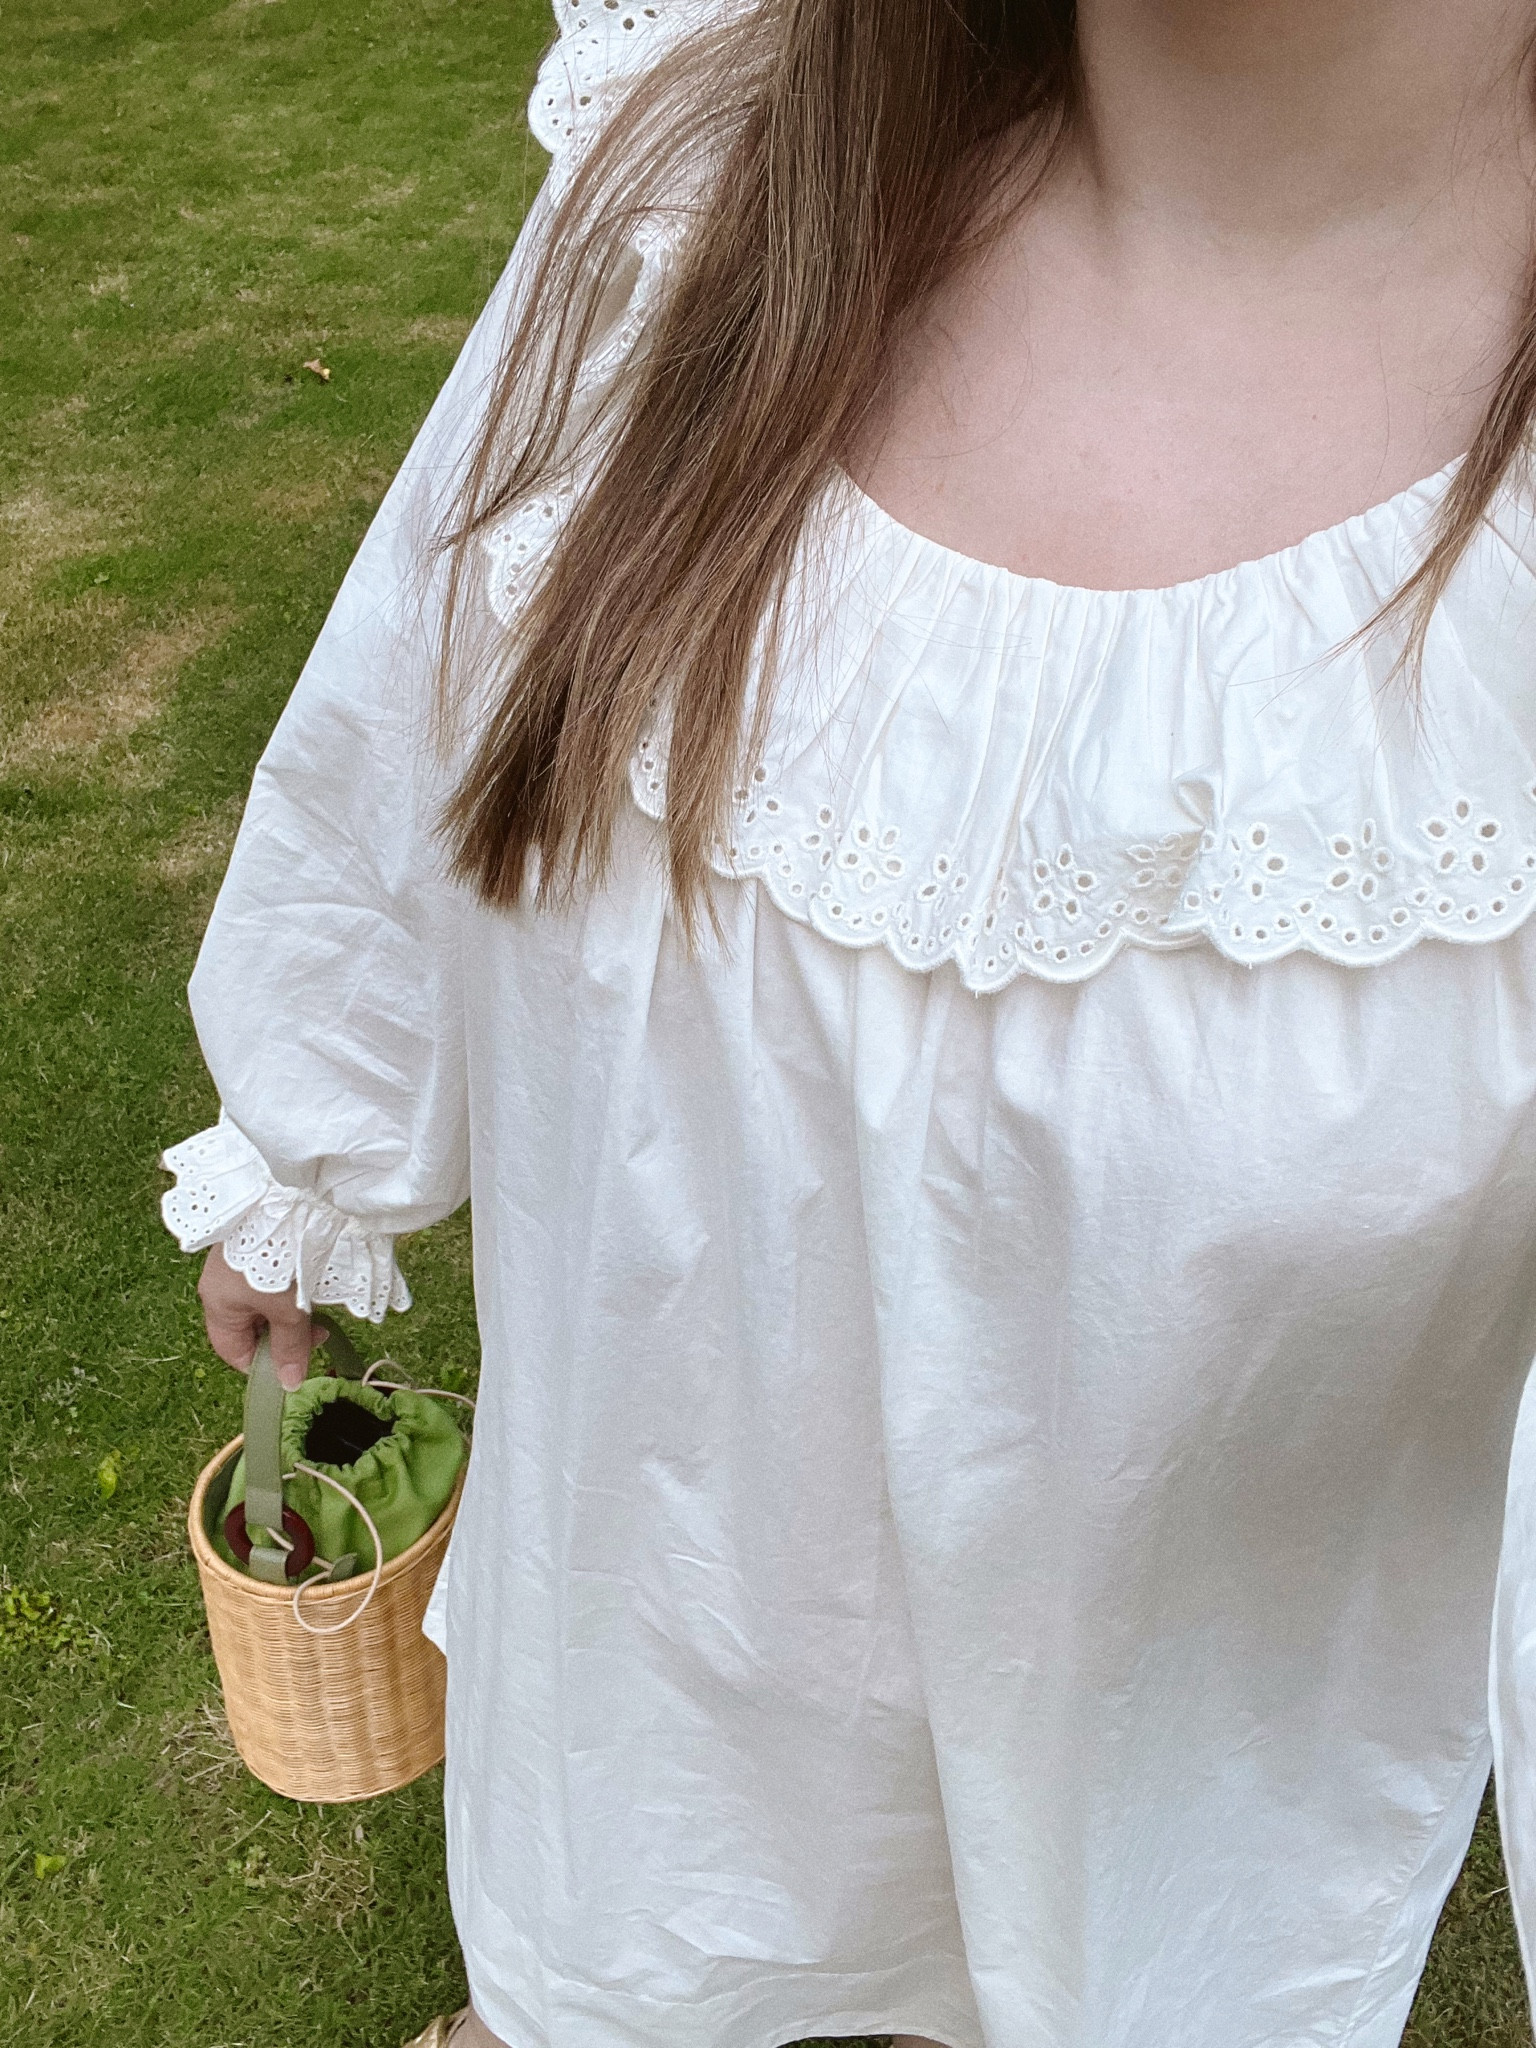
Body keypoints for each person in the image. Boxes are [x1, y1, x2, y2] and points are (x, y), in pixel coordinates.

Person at [161, 0, 1536, 2042]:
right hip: (651, 1715)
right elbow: (415, 712)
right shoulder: (698, 183)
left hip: (1157, 1858)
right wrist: (311, 1142)